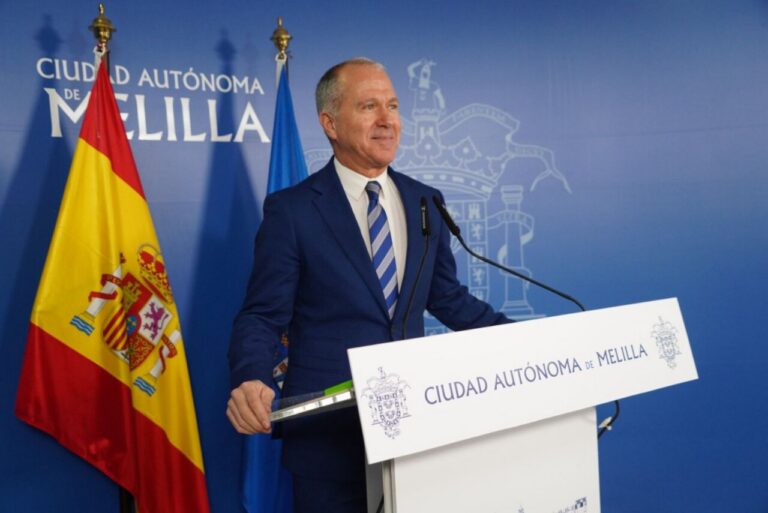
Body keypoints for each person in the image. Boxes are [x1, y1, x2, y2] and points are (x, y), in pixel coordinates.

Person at [227, 57, 510, 513]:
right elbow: (262, 315)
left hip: (415, 434)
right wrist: (251, 376)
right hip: (329, 443)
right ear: (330, 123)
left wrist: (526, 340)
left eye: (393, 106)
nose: (387, 121)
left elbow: (447, 298)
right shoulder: (293, 211)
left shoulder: (424, 201)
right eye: (369, 107)